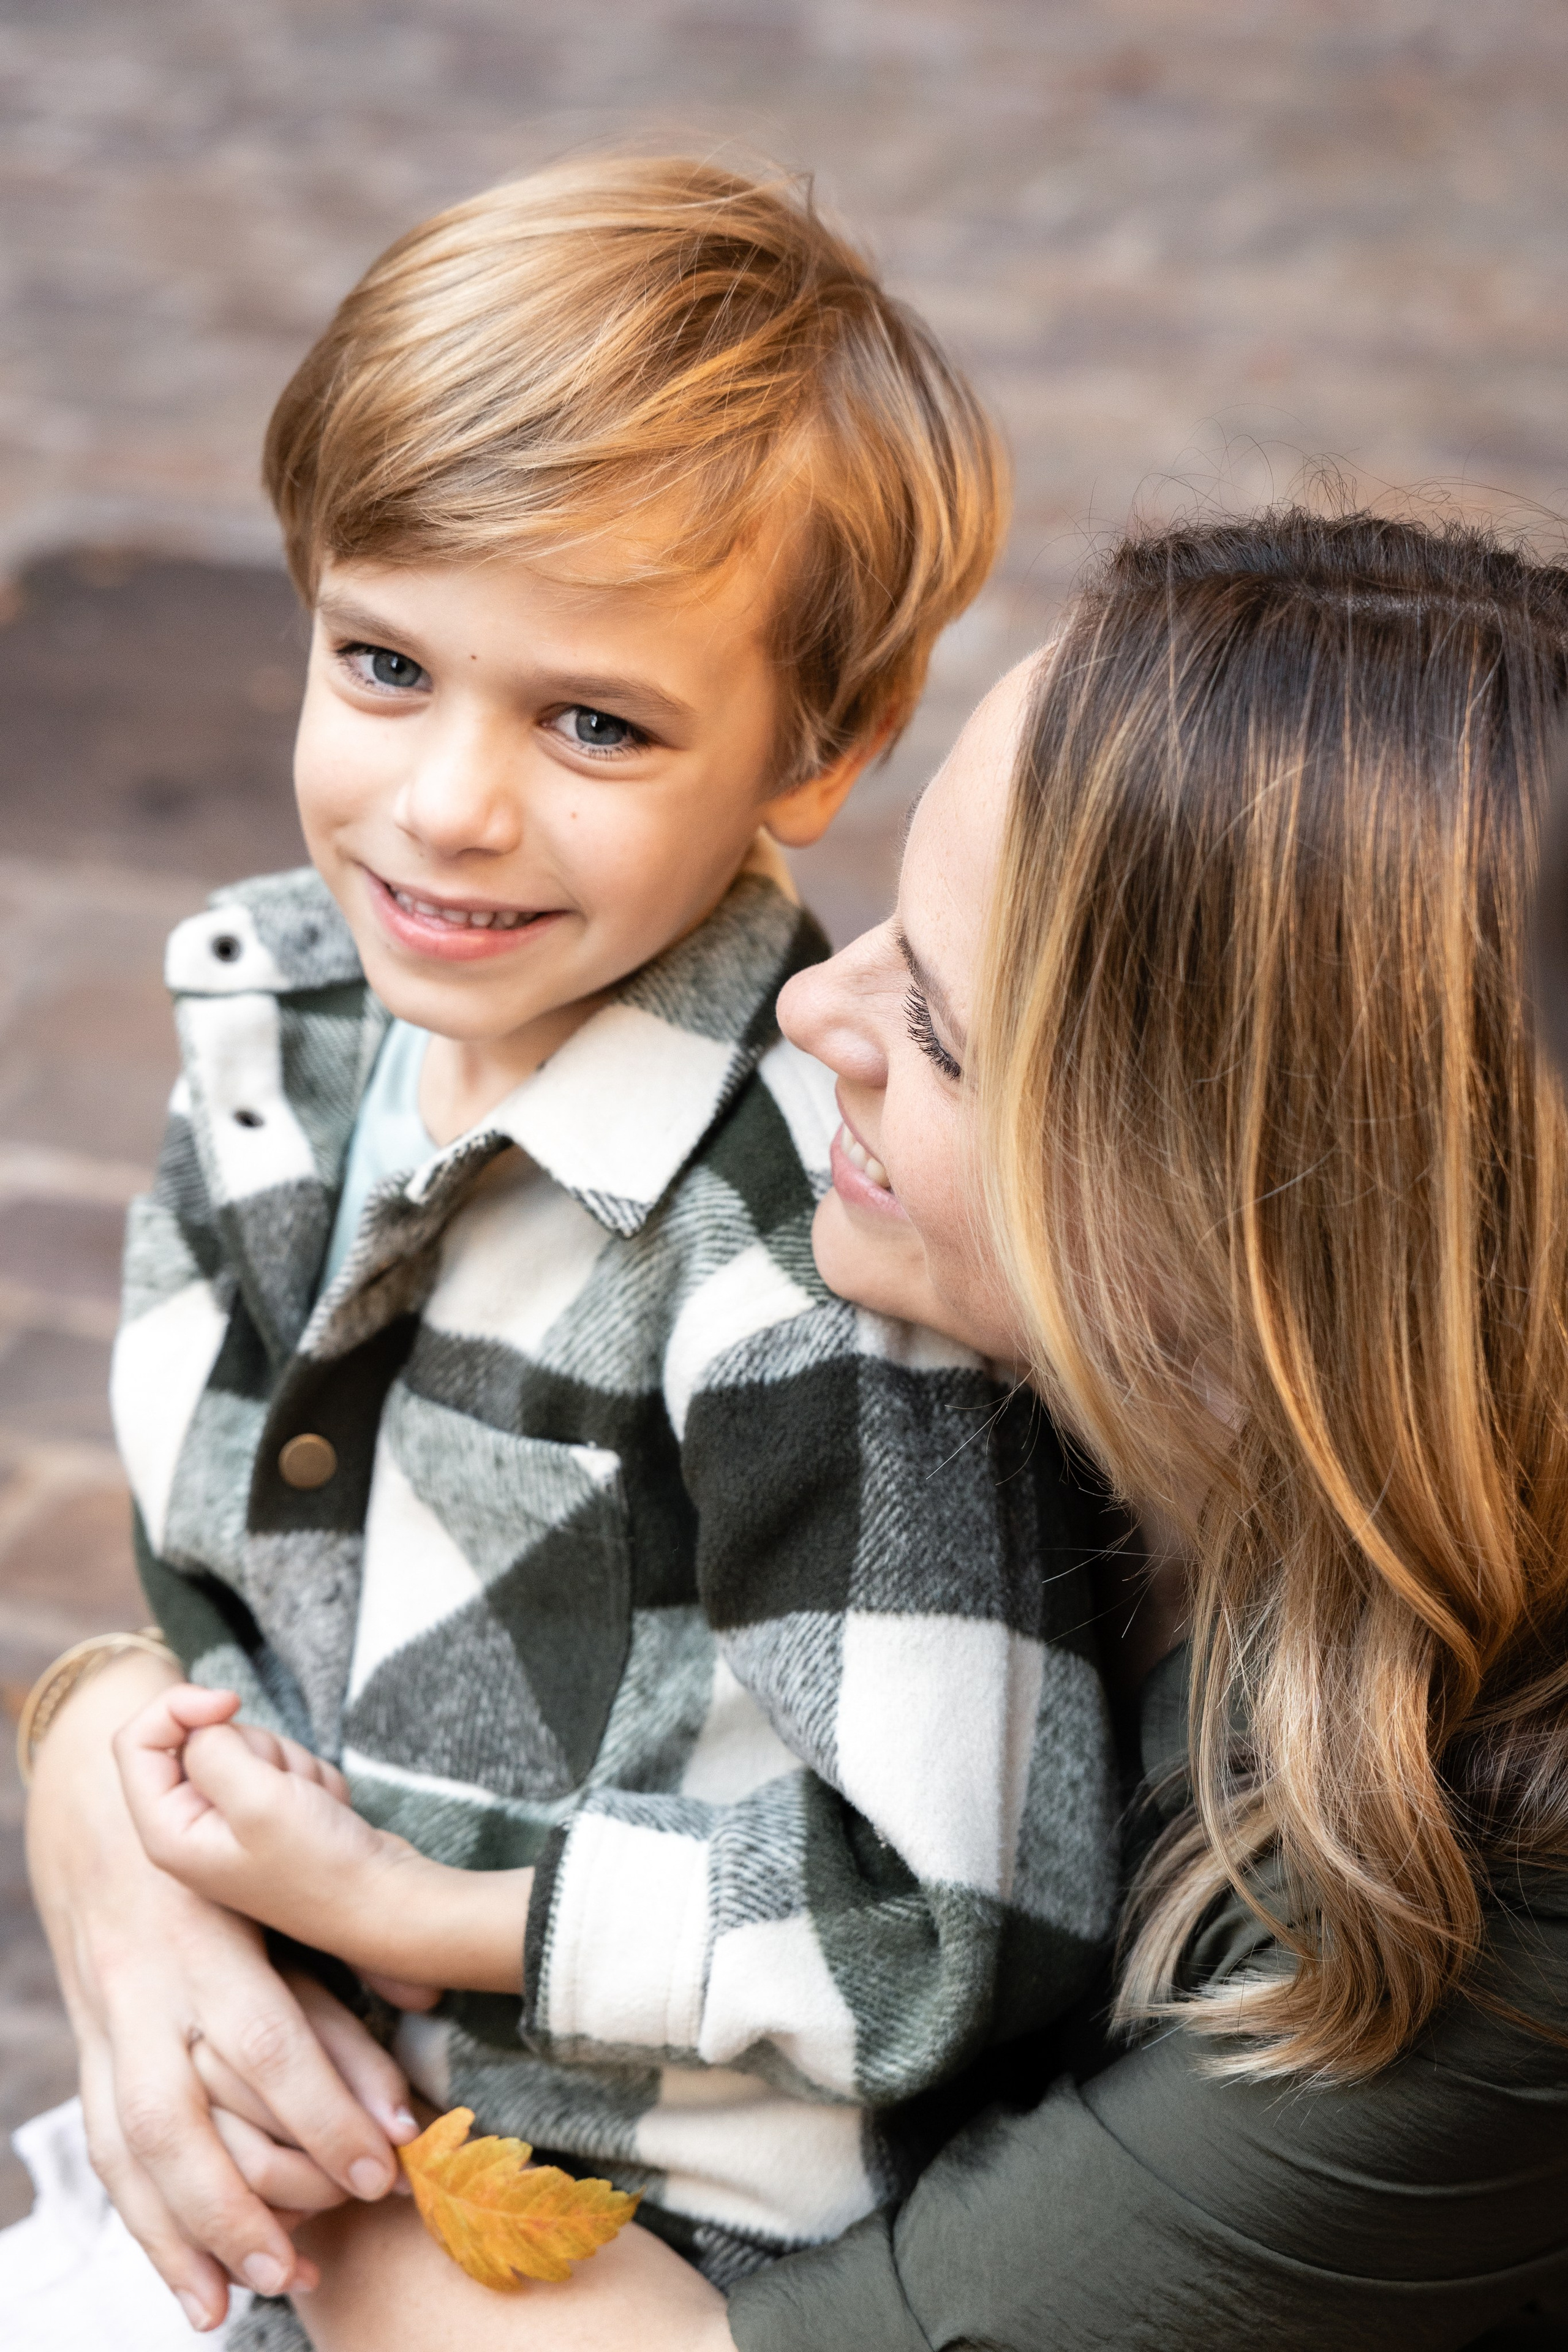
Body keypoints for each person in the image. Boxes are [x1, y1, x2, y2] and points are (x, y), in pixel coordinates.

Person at [17, 155, 1129, 2348]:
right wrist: (148, 1808)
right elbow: (227, 1605)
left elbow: (961, 1920)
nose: (444, 804)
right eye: (386, 660)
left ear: (829, 743)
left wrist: (445, 1918)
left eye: (594, 721)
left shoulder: (812, 1263)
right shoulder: (281, 1040)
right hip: (280, 2153)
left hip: (637, 2263)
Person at [350, 504, 1568, 2352]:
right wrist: (120, 1823)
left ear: (1237, 1222)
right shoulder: (974, 1324)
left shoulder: (1503, 1920)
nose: (808, 1011)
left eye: (930, 1024)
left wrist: (267, 2138)